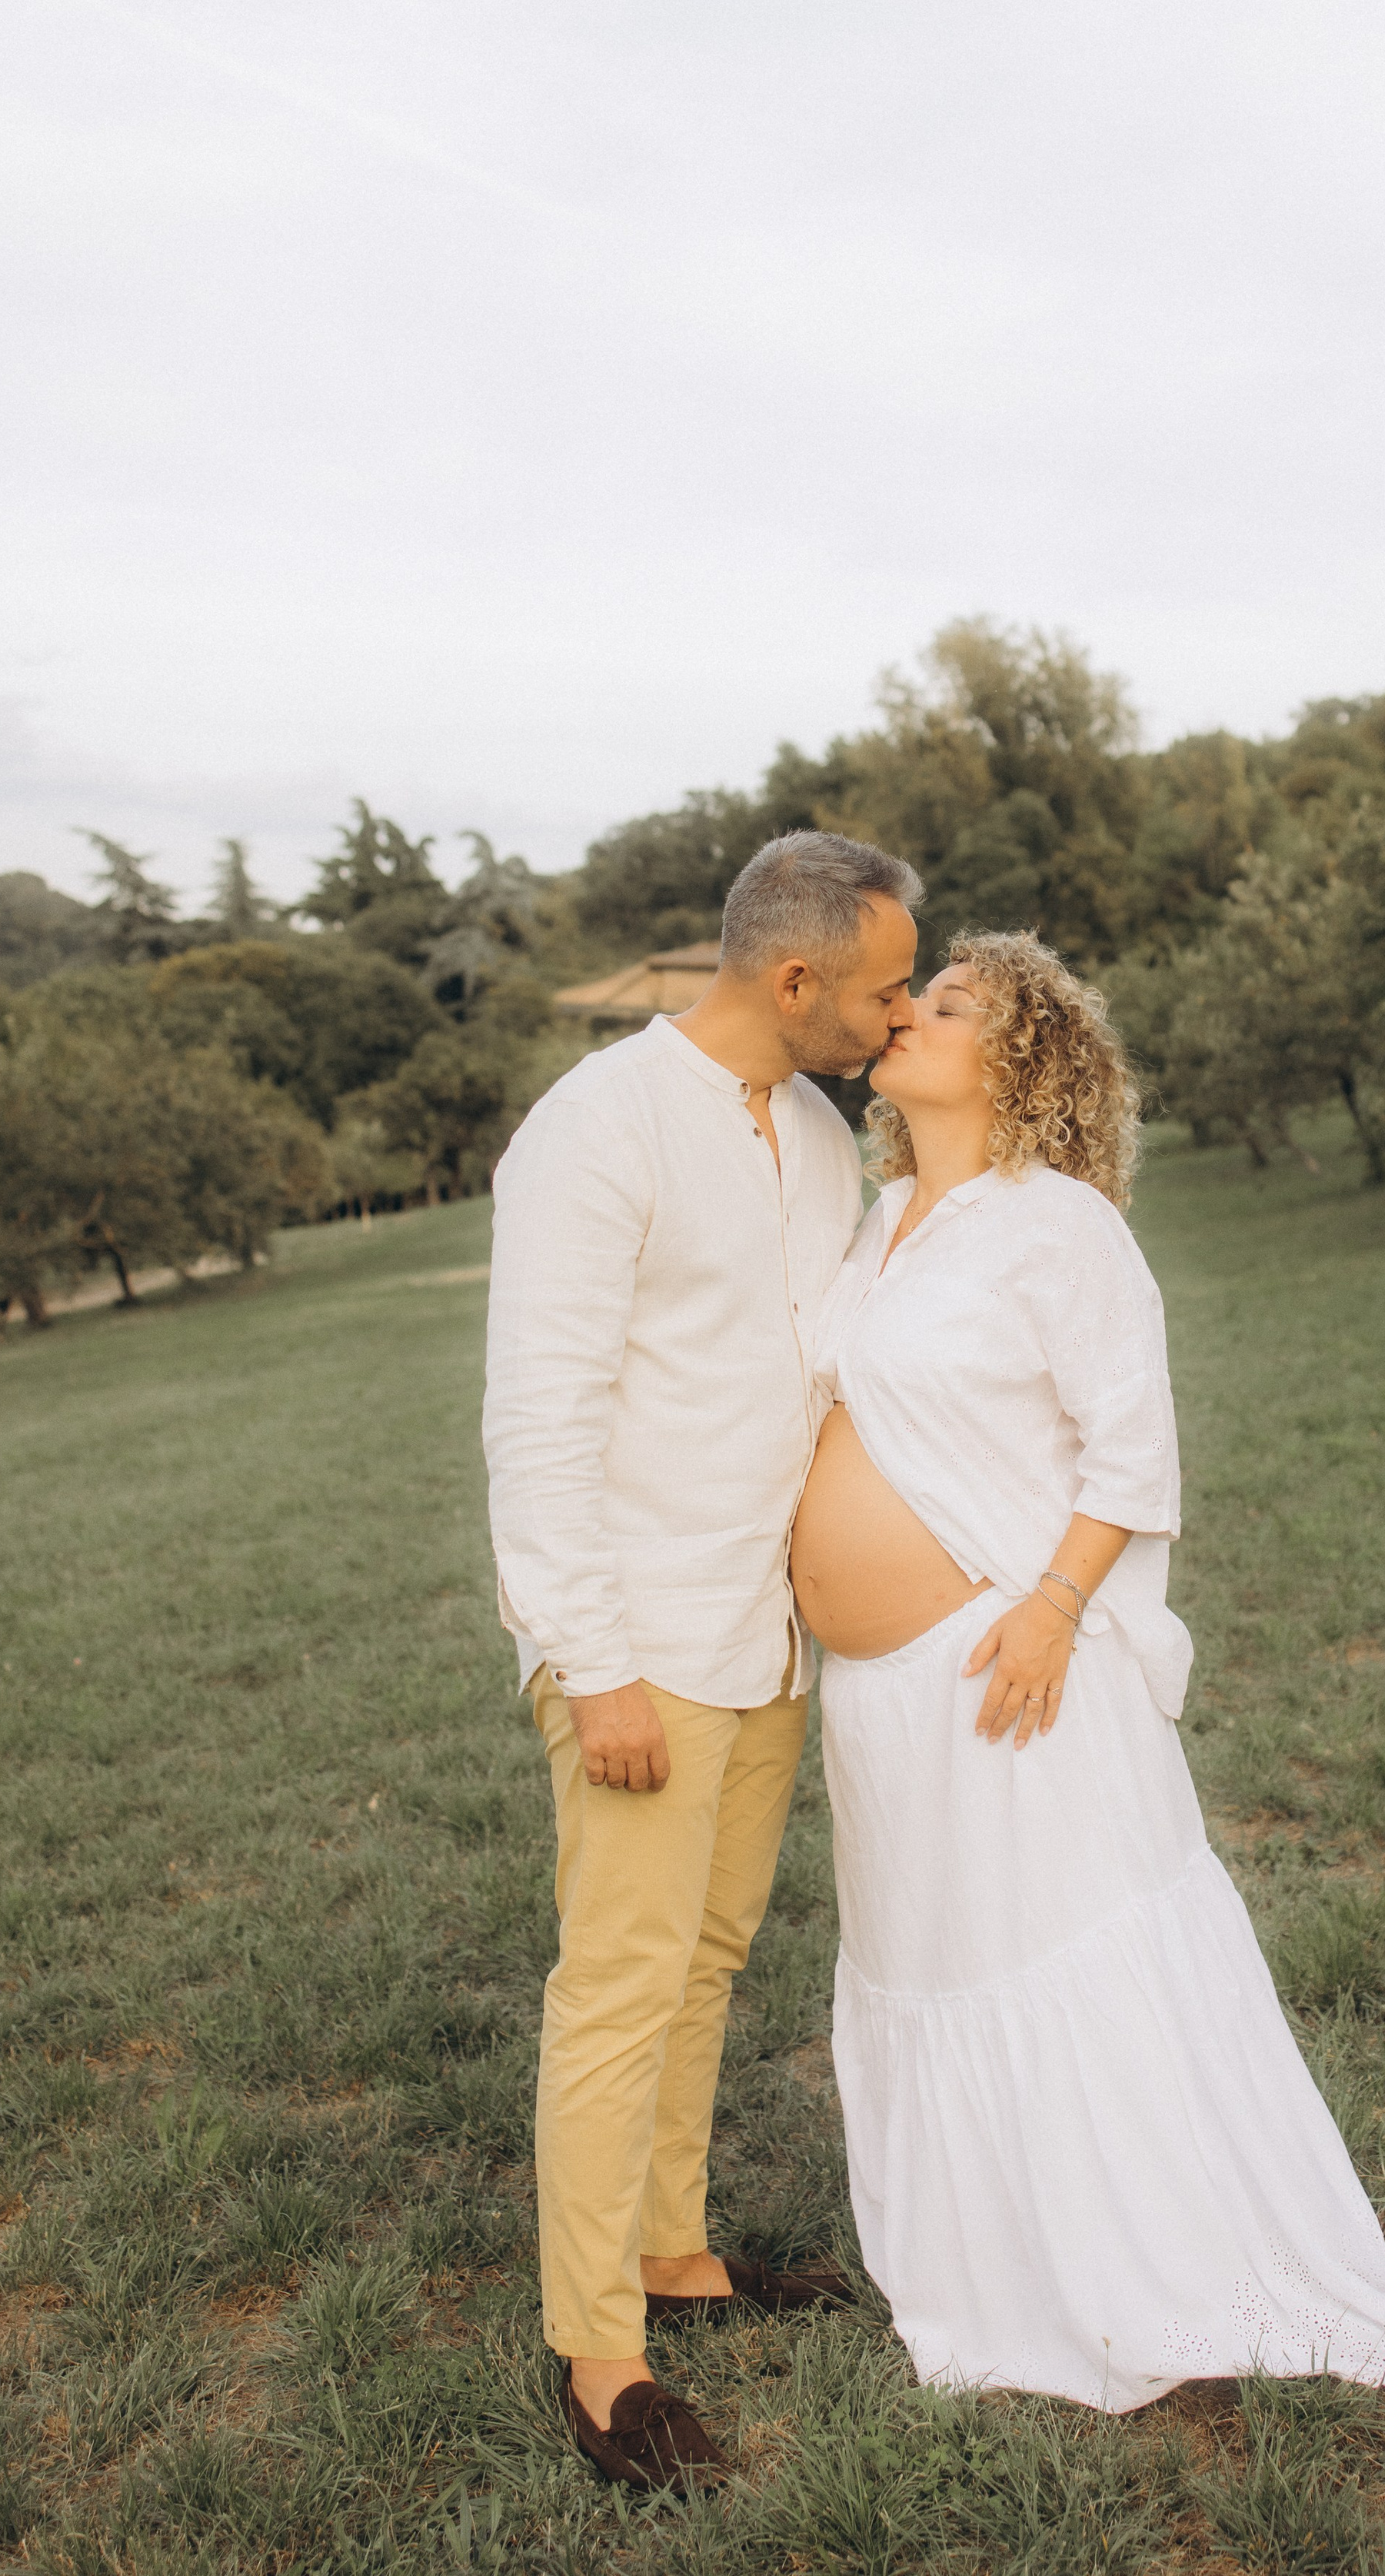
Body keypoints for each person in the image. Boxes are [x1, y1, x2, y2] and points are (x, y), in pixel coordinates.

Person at [792, 933, 1385, 2411]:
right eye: (912, 998)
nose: (909, 1014)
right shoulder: (886, 1213)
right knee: (938, 1962)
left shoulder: (1059, 1227)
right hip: (880, 1702)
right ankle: (995, 2262)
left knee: (1058, 1955)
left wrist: (1048, 1609)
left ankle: (1139, 2263)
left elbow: (1131, 1445)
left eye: (951, 1004)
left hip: (1007, 1666)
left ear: (1021, 1057)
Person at [482, 830, 923, 2493]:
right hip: (640, 1635)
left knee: (708, 1954)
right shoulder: (596, 1127)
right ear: (793, 977)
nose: (897, 1012)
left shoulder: (814, 1134)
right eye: (884, 984)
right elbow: (538, 1418)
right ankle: (600, 2355)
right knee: (617, 1983)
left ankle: (674, 2250)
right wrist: (591, 1665)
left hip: (772, 1631)